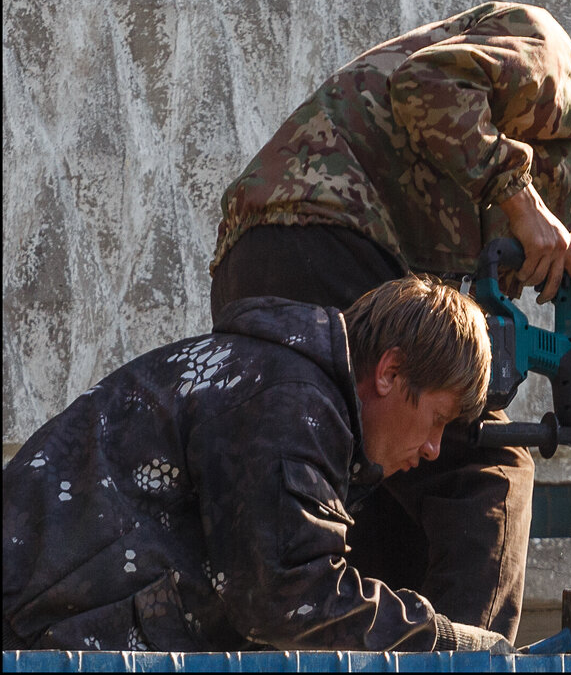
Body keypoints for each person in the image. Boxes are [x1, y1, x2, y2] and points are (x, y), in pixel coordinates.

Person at [209, 1, 571, 641]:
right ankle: (473, 659)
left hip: (264, 258)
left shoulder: (546, 194)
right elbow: (427, 82)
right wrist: (521, 202)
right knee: (490, 472)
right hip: (329, 233)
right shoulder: (554, 64)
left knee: (386, 487)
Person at [3, 275, 516, 654]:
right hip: (31, 630)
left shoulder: (283, 384)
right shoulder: (289, 402)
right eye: (437, 419)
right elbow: (289, 599)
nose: (433, 448)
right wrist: (449, 640)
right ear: (390, 371)